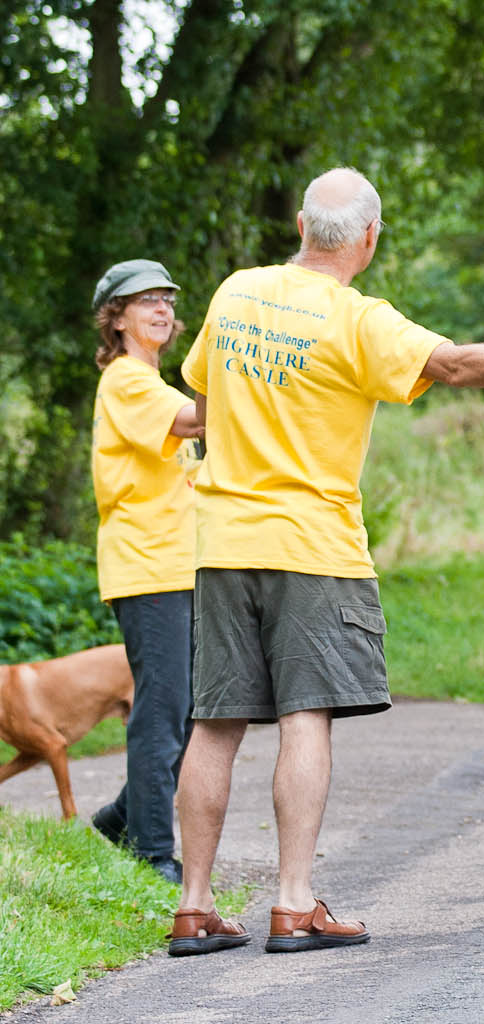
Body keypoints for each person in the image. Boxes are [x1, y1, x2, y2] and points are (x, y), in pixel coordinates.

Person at [167, 166, 484, 958]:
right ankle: (292, 902)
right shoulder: (358, 319)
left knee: (215, 724)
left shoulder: (234, 293)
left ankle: (194, 906)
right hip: (310, 546)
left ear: (303, 227)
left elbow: (204, 402)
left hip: (220, 544)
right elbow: (453, 364)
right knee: (304, 716)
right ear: (369, 238)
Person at [89, 259, 204, 884]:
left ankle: (118, 820)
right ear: (118, 319)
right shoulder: (129, 382)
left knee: (183, 711)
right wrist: (229, 367)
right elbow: (195, 419)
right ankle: (151, 852)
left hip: (177, 565)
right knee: (163, 712)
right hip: (148, 567)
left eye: (165, 299)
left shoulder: (151, 384)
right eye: (144, 301)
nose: (160, 309)